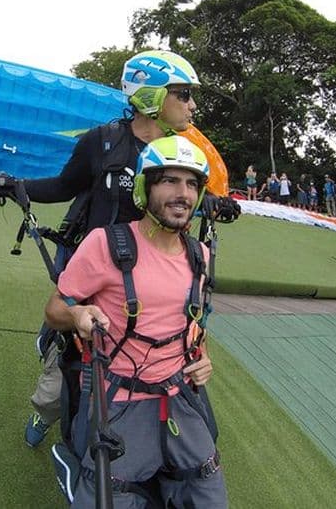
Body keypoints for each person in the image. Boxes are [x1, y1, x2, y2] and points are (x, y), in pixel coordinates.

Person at [0, 49, 240, 448]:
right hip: (96, 274)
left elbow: (187, 201)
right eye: (182, 94)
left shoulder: (180, 154)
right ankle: (47, 412)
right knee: (68, 366)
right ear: (152, 96)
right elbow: (65, 186)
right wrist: (10, 185)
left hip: (144, 282)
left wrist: (215, 202)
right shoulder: (103, 143)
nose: (192, 104)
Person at [45, 135, 228, 508]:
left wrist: (202, 356)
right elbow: (54, 309)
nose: (183, 194)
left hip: (178, 394)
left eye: (192, 184)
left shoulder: (200, 256)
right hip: (119, 395)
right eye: (170, 181)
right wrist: (78, 313)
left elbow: (193, 321)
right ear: (145, 188)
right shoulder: (105, 244)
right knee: (112, 495)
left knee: (208, 490)